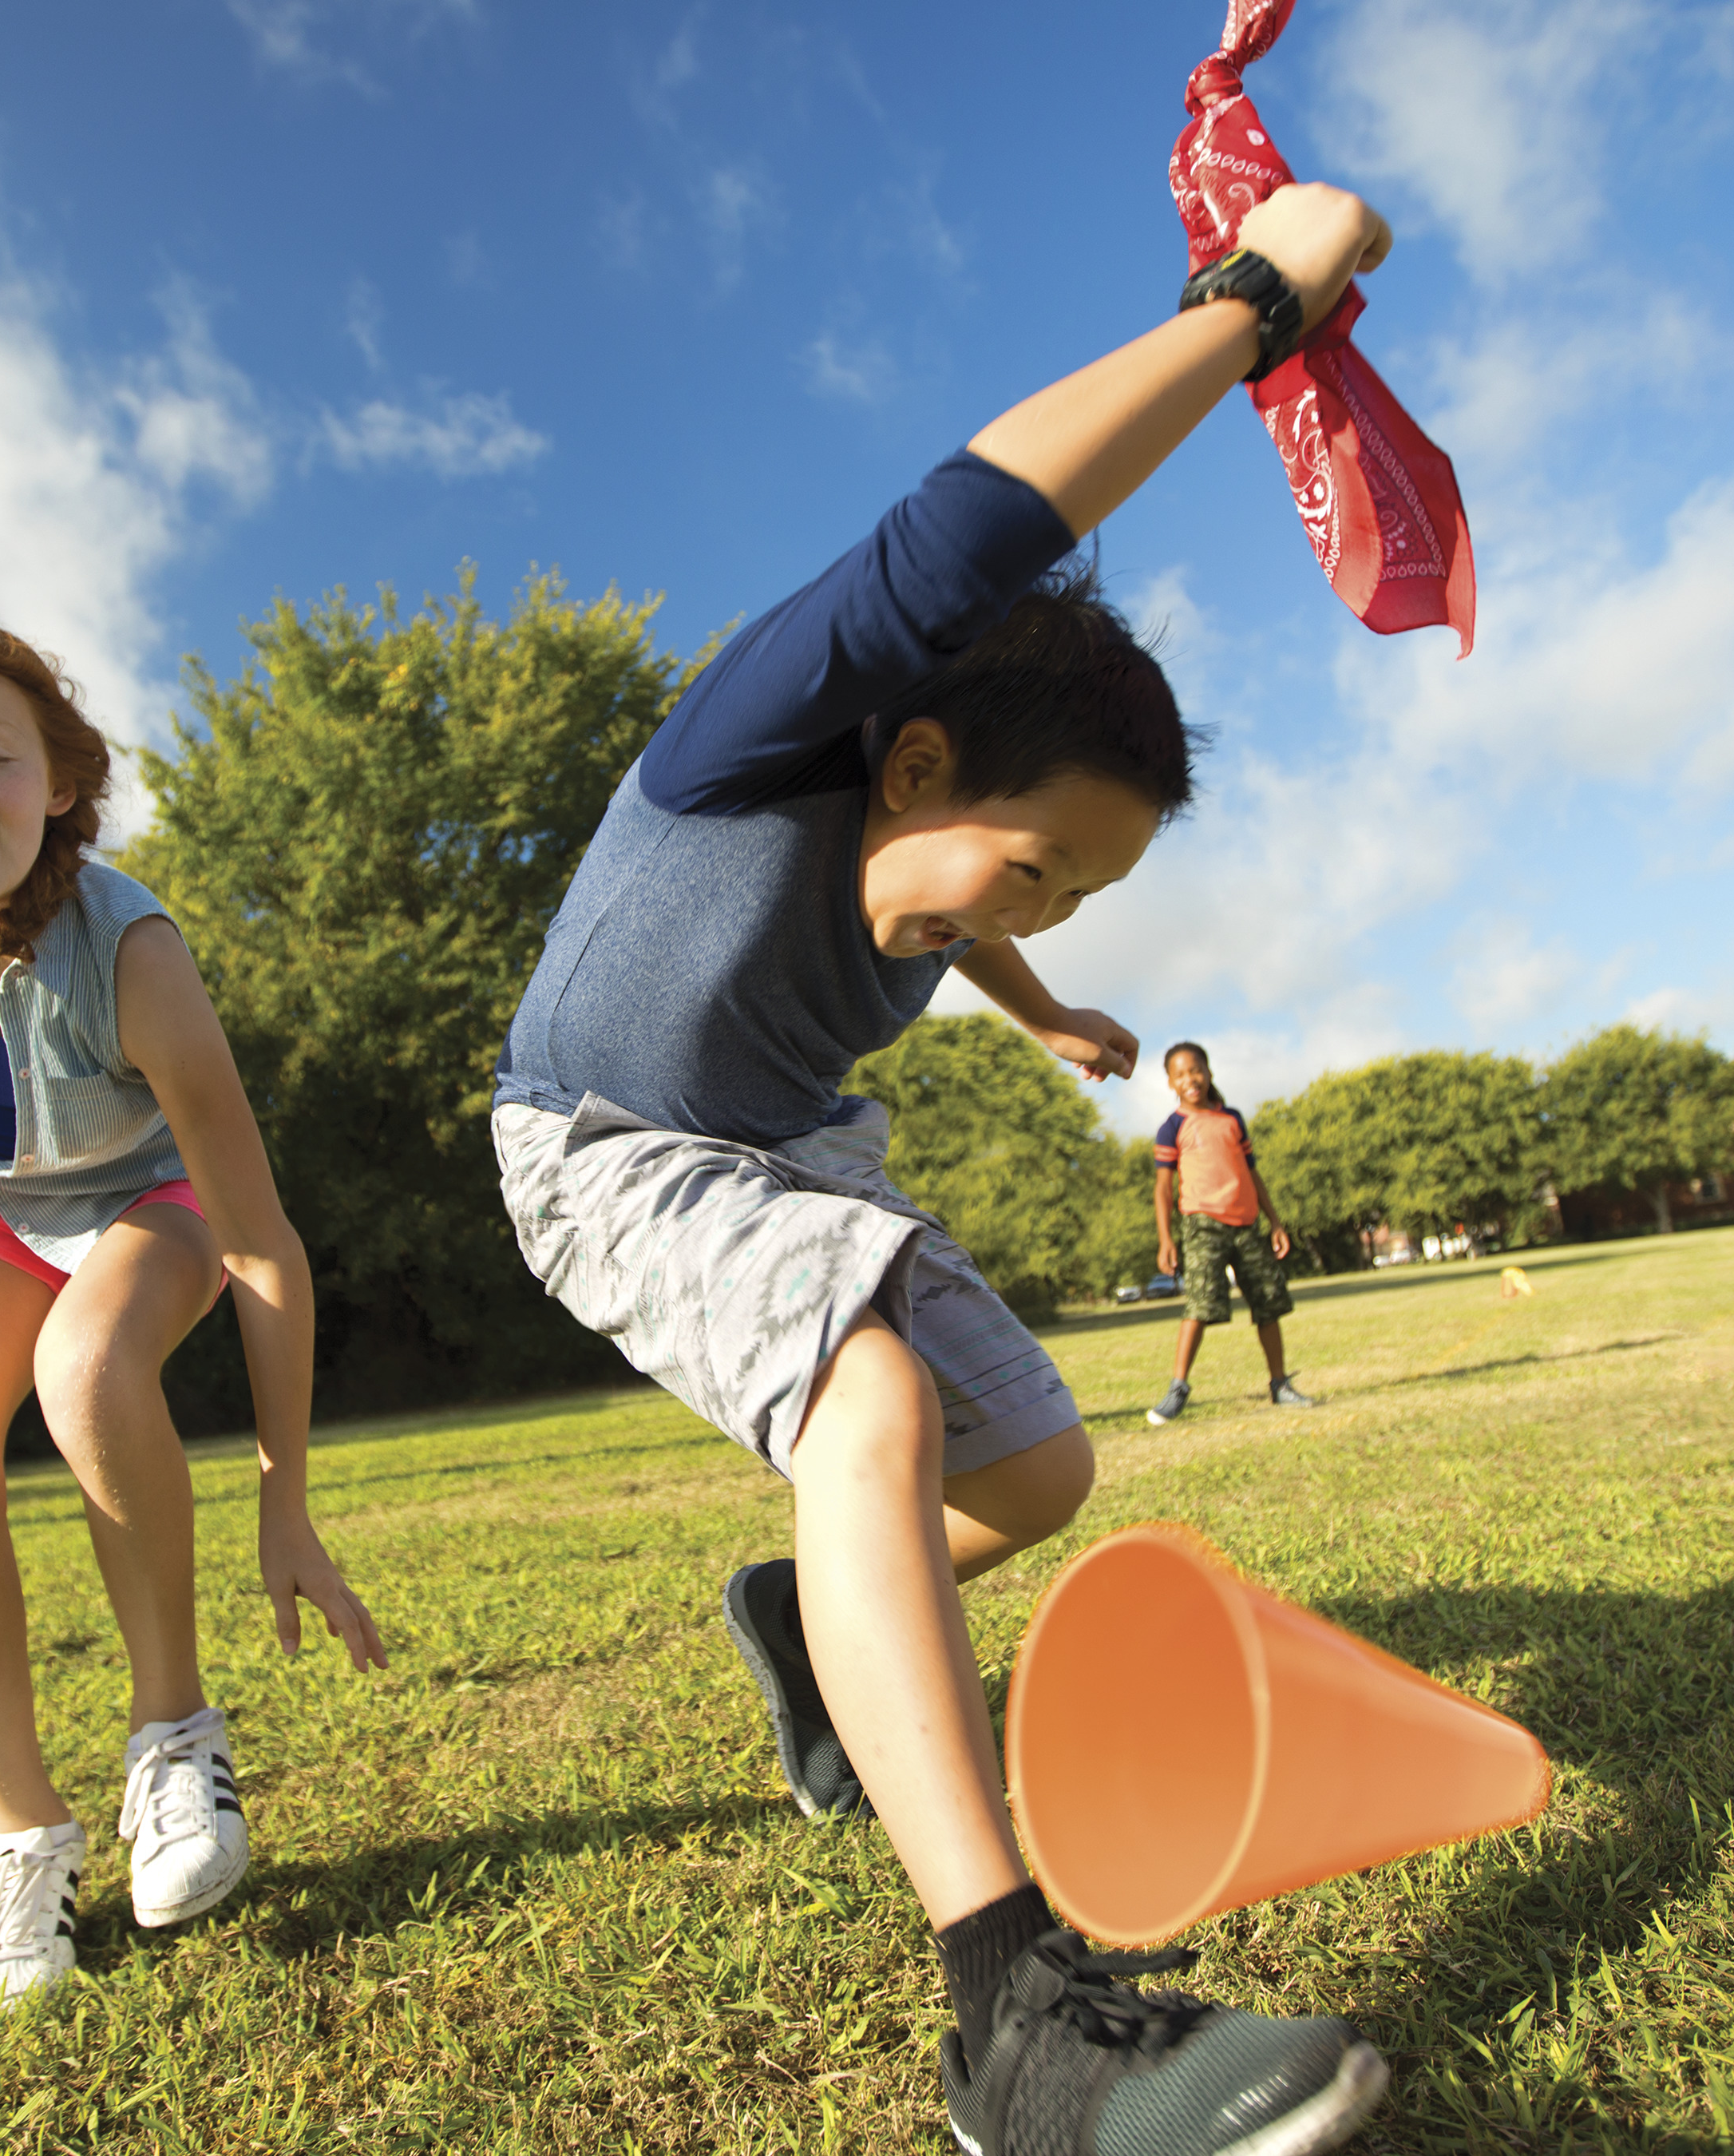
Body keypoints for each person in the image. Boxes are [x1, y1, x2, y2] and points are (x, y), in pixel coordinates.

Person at [491, 181, 1399, 2156]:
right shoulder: (745, 740)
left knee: (1035, 1462)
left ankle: (805, 1619)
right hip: (604, 1142)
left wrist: (1042, 991)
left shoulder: (936, 856)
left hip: (789, 1149)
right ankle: (1014, 2014)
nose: (1036, 897)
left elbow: (951, 895)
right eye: (1034, 861)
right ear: (909, 764)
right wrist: (1254, 303)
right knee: (873, 1398)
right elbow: (978, 525)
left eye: (1079, 885)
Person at [0, 606, 384, 2008]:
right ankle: (22, 1834)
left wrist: (285, 1494)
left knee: (86, 1372)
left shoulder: (131, 954)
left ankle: (174, 1737)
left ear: (56, 784)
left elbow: (262, 1245)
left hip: (154, 1199)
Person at [1145, 1042, 1311, 1423]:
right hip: (1203, 1225)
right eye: (1181, 1074)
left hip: (1247, 1224)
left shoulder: (1232, 1119)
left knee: (1268, 1303)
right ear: (1171, 1082)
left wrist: (1276, 1221)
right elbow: (1162, 1188)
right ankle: (1177, 1389)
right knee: (1200, 1306)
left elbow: (1252, 1173)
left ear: (1209, 1072)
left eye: (1196, 1070)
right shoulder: (1173, 1127)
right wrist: (1166, 1238)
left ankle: (1280, 1385)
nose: (1191, 1079)